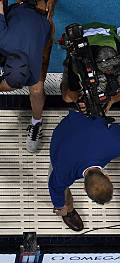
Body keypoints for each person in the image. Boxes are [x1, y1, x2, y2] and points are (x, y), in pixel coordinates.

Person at [49, 110, 120, 231]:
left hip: (77, 120)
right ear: (84, 189)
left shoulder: (116, 147)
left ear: (108, 177)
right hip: (60, 138)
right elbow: (54, 186)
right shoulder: (64, 171)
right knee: (59, 183)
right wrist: (60, 206)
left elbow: (117, 128)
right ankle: (69, 210)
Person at [0, 0, 56, 152]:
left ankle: (36, 122)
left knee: (37, 90)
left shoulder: (44, 25)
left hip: (38, 29)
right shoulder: (3, 38)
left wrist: (48, 7)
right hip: (19, 20)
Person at [61, 22, 120, 114]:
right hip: (81, 41)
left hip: (106, 33)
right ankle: (67, 66)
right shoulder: (78, 64)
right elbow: (71, 94)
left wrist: (113, 99)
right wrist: (79, 100)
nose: (110, 71)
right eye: (107, 70)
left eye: (113, 68)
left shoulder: (116, 47)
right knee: (66, 98)